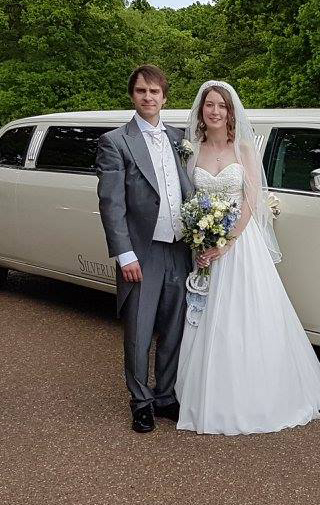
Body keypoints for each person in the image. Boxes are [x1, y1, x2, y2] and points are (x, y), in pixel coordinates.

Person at [175, 80, 320, 434]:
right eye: (209, 105)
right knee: (205, 315)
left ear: (231, 112)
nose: (215, 111)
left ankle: (260, 396)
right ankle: (202, 395)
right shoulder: (191, 151)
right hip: (205, 246)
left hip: (240, 246)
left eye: (222, 106)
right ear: (201, 111)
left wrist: (227, 241)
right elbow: (187, 199)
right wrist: (201, 240)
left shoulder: (244, 148)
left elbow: (251, 199)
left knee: (246, 314)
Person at [95, 64, 195, 433]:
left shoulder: (179, 138)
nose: (148, 98)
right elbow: (112, 203)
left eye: (154, 92)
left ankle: (165, 395)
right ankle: (140, 401)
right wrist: (125, 254)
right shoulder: (115, 141)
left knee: (174, 328)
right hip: (141, 253)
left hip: (179, 249)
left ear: (164, 97)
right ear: (132, 95)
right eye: (141, 91)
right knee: (139, 330)